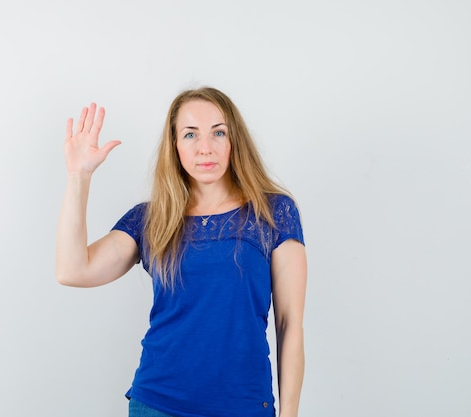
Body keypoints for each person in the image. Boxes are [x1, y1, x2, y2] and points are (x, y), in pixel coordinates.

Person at [55, 87, 307, 417]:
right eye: (190, 134)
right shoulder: (151, 219)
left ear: (235, 141)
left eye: (219, 132)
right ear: (174, 145)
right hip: (158, 403)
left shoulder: (273, 212)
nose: (206, 147)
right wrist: (79, 176)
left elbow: (289, 325)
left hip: (243, 405)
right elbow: (73, 270)